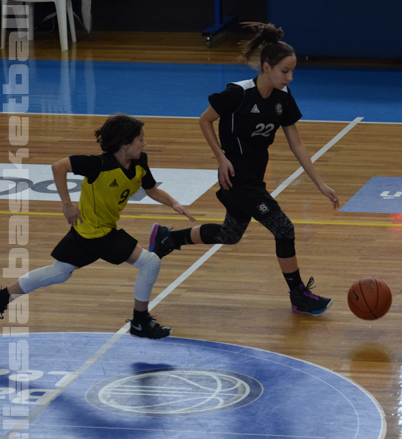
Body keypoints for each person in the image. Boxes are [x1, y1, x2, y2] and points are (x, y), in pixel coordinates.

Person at [149, 23, 340, 316]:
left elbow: (297, 144)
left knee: (230, 234)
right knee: (284, 228)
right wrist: (220, 158)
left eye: (292, 71)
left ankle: (168, 239)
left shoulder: (283, 97)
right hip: (236, 177)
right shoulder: (238, 93)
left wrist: (320, 183)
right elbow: (204, 120)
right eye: (284, 71)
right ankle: (298, 294)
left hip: (255, 175)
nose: (289, 77)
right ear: (267, 67)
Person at [0, 114, 195, 339]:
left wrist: (174, 203)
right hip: (97, 234)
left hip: (87, 231)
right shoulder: (98, 165)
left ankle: (3, 297)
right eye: (141, 139)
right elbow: (58, 167)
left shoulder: (140, 162)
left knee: (59, 273)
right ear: (125, 143)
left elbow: (151, 190)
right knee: (150, 263)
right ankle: (140, 322)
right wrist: (67, 204)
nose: (144, 143)